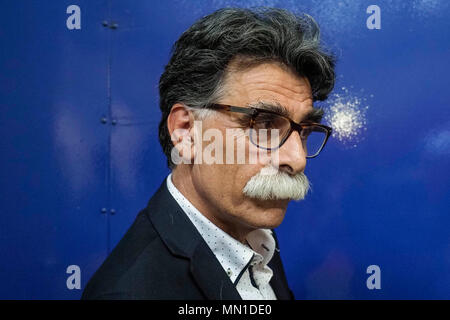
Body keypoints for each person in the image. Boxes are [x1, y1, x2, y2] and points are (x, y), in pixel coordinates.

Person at [82, 7, 335, 300]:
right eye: (265, 123)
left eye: (303, 131)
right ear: (187, 131)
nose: (297, 159)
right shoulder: (129, 294)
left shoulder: (254, 235)